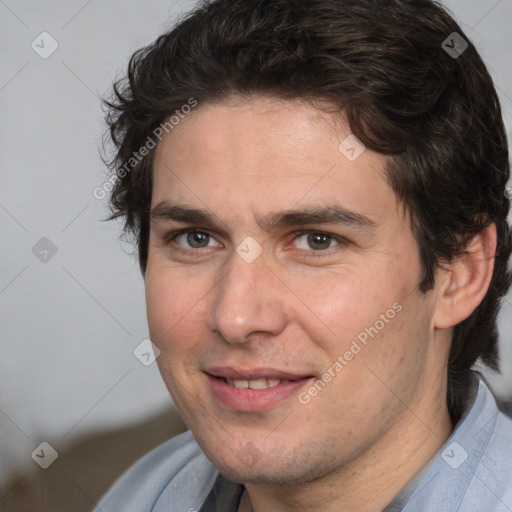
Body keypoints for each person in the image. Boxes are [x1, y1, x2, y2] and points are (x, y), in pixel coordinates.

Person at [96, 0, 512, 510]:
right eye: (196, 238)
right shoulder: (139, 496)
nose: (235, 316)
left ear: (460, 274)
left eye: (317, 240)